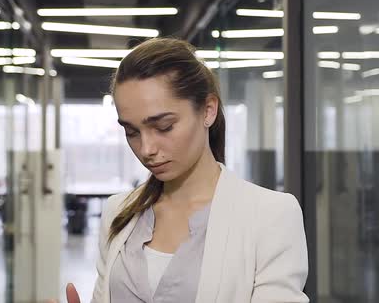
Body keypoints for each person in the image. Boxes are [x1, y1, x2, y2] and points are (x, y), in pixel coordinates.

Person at [65, 38, 308, 303]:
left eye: (164, 126)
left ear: (208, 110)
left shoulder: (269, 216)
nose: (146, 148)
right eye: (131, 132)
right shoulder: (118, 213)